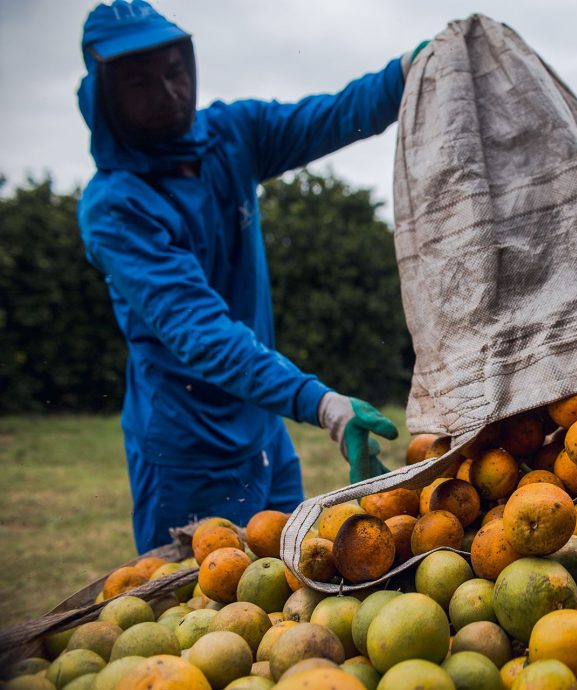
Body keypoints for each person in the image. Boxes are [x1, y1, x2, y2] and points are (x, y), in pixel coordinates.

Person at [76, 0, 423, 553]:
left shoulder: (230, 136)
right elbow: (201, 332)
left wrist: (411, 71)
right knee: (196, 618)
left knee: (287, 588)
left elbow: (331, 115)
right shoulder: (116, 208)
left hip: (265, 431)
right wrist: (323, 403)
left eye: (175, 70)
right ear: (105, 98)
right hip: (186, 452)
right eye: (140, 82)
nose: (168, 92)